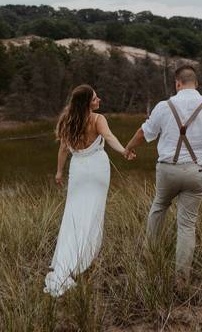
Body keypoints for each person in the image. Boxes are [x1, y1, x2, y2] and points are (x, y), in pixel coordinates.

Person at [123, 65, 202, 282]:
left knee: (159, 207)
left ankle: (149, 260)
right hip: (196, 172)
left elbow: (144, 133)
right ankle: (181, 278)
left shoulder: (164, 106)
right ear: (196, 84)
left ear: (177, 83)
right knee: (187, 224)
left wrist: (129, 147)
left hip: (167, 171)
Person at [44, 84, 135, 297]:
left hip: (77, 170)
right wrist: (124, 151)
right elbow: (110, 137)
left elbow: (63, 149)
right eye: (95, 98)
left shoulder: (68, 119)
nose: (99, 100)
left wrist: (59, 172)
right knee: (93, 213)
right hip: (97, 169)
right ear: (87, 102)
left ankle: (69, 261)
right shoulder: (97, 119)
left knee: (74, 214)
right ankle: (84, 260)